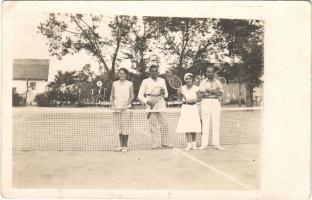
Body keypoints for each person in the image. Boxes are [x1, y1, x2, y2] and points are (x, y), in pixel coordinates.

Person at [138, 64, 172, 149]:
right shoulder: (145, 81)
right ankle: (155, 144)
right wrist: (147, 101)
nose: (154, 73)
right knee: (153, 126)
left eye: (156, 71)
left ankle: (165, 143)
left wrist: (163, 93)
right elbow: (140, 95)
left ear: (158, 72)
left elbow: (166, 95)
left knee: (164, 125)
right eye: (152, 71)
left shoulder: (162, 80)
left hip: (161, 103)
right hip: (150, 103)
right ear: (149, 72)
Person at [199, 64, 224, 150]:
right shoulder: (202, 82)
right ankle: (204, 144)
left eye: (212, 72)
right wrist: (214, 91)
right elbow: (202, 93)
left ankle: (216, 144)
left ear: (214, 73)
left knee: (216, 123)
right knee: (205, 123)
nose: (210, 73)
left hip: (215, 103)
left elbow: (221, 93)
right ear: (206, 73)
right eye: (208, 72)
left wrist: (209, 91)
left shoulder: (218, 82)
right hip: (205, 102)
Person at [110, 68, 135, 152]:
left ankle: (125, 146)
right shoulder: (114, 84)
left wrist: (125, 105)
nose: (122, 75)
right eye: (120, 73)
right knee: (119, 128)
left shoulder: (130, 84)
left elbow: (132, 96)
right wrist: (113, 105)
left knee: (125, 128)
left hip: (126, 109)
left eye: (124, 73)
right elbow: (111, 96)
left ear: (126, 75)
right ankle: (120, 145)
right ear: (118, 74)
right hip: (117, 109)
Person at [176, 73, 202, 151]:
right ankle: (189, 144)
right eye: (187, 79)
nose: (188, 80)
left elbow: (199, 98)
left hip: (193, 108)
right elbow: (181, 98)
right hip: (185, 108)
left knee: (194, 126)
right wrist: (179, 93)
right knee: (187, 126)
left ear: (192, 79)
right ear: (185, 80)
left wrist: (194, 100)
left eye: (190, 78)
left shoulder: (197, 88)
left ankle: (194, 144)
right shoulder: (182, 88)